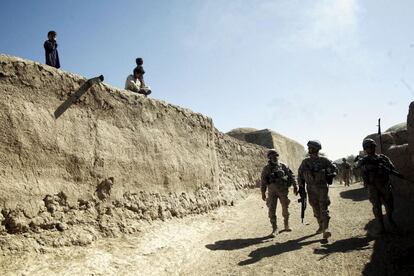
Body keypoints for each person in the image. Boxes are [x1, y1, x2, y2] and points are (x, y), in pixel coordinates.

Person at [357, 138, 397, 235]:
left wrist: (383, 166)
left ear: (374, 147)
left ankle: (390, 219)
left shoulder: (383, 158)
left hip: (384, 184)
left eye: (371, 146)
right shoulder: (363, 160)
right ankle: (381, 226)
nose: (370, 148)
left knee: (390, 205)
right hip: (372, 186)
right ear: (365, 149)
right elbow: (358, 169)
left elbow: (392, 168)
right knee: (377, 206)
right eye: (367, 147)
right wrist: (367, 167)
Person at [298, 140, 337, 239]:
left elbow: (335, 169)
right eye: (309, 148)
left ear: (317, 149)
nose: (310, 150)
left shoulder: (324, 160)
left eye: (312, 148)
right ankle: (321, 225)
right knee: (315, 209)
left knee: (323, 207)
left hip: (322, 187)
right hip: (310, 188)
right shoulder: (305, 162)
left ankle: (326, 229)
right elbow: (300, 175)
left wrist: (331, 174)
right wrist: (301, 187)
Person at [261, 149, 298, 236]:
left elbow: (291, 176)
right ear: (269, 157)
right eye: (273, 156)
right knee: (271, 210)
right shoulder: (266, 168)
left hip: (283, 190)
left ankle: (286, 224)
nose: (275, 157)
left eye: (276, 156)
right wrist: (263, 192)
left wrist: (295, 186)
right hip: (272, 192)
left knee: (285, 207)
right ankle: (275, 228)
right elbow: (263, 181)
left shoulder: (283, 166)